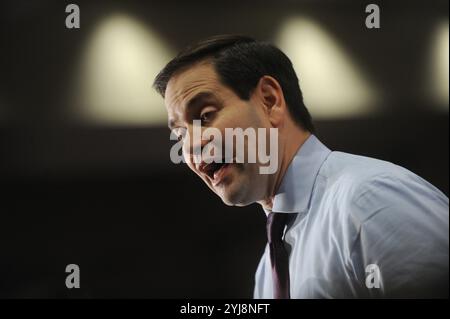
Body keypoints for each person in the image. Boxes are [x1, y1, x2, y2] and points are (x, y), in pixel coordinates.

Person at [153, 35, 449, 298]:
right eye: (179, 133)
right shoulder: (265, 273)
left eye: (204, 116)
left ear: (269, 101)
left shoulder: (370, 199)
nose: (189, 146)